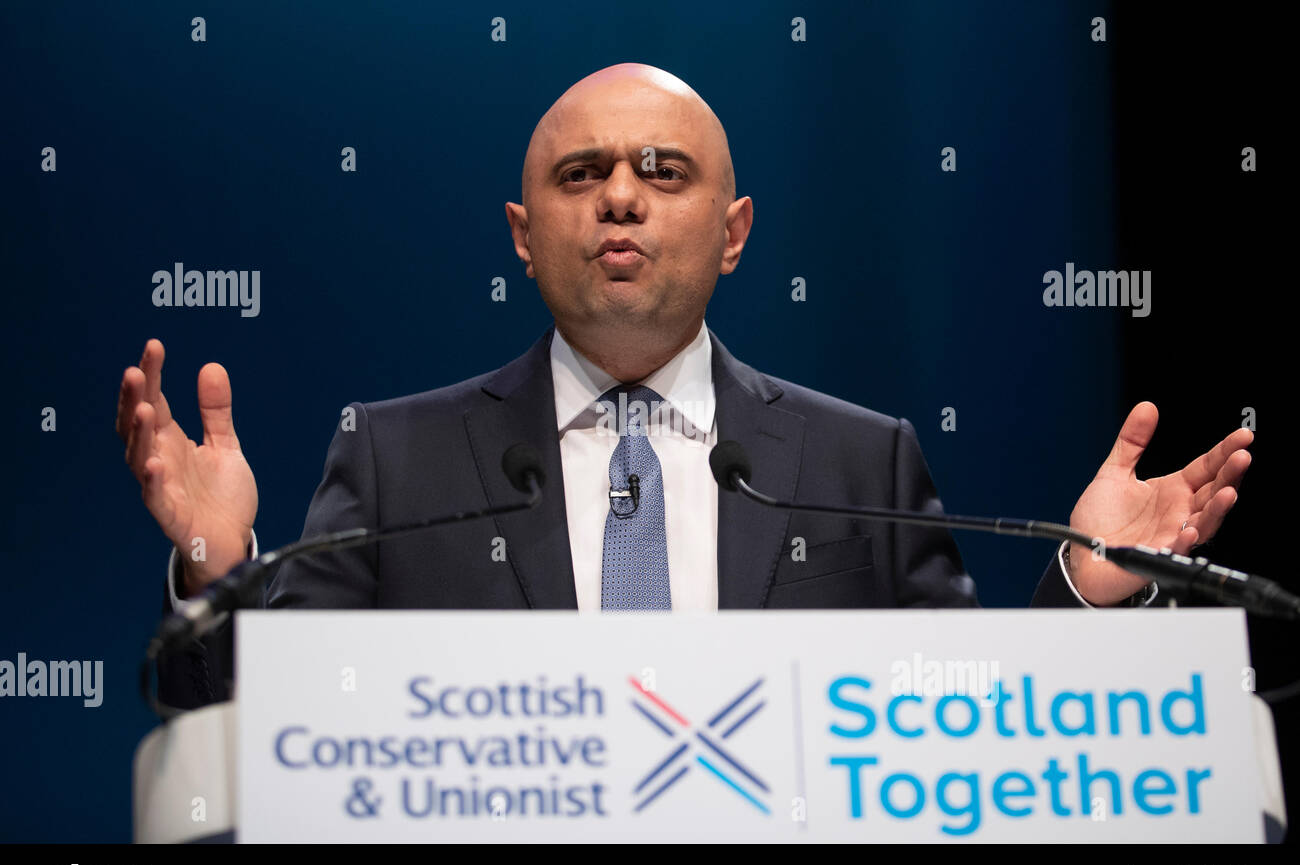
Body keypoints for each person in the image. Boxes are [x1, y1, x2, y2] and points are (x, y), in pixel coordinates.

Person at [115, 64, 1254, 708]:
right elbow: (267, 721)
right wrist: (219, 562)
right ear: (522, 233)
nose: (621, 196)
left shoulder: (860, 459)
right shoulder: (393, 454)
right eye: (581, 174)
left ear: (733, 233)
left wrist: (1087, 586)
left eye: (663, 172)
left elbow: (961, 734)